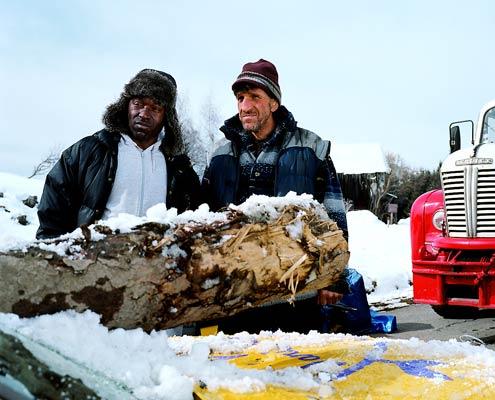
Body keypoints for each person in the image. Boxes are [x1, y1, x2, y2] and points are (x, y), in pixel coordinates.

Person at [201, 59, 352, 333]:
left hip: (296, 291)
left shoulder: (310, 147)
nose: (245, 106)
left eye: (255, 97)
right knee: (241, 372)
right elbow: (204, 219)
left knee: (297, 370)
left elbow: (334, 216)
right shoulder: (220, 153)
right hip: (238, 293)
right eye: (240, 98)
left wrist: (333, 276)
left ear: (273, 103)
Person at [37, 69, 201, 239]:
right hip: (95, 260)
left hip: (156, 261)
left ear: (166, 116)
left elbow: (195, 220)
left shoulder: (180, 167)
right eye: (138, 103)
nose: (144, 114)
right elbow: (53, 212)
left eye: (155, 107)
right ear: (126, 105)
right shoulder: (88, 151)